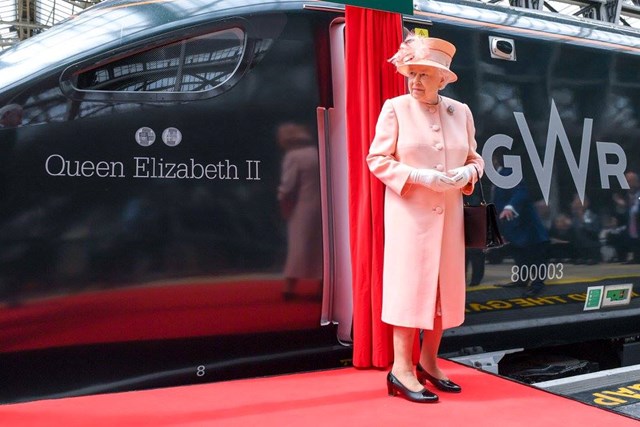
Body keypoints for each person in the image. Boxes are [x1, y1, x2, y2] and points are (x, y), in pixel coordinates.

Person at [367, 33, 484, 403]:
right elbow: (377, 159)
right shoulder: (395, 108)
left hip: (448, 218)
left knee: (441, 292)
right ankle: (401, 370)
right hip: (410, 217)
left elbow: (475, 159)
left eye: (422, 74)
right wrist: (420, 176)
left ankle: (428, 362)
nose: (414, 81)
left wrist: (469, 174)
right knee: (409, 288)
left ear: (441, 78)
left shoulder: (460, 112)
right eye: (411, 73)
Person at [492, 154, 550, 296]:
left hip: (526, 226)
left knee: (535, 255)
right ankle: (522, 280)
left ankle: (537, 285)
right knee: (520, 255)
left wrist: (510, 207)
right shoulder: (496, 178)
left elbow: (521, 191)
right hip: (514, 227)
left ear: (494, 160)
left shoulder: (507, 173)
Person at [276, 122, 323, 301]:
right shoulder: (317, 154)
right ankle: (322, 287)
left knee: (298, 246)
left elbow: (288, 186)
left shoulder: (293, 156)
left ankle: (289, 287)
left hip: (303, 207)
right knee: (320, 248)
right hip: (322, 208)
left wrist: (283, 202)